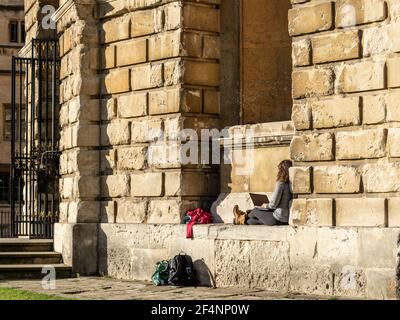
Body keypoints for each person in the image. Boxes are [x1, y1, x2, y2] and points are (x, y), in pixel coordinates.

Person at [233, 160, 293, 226]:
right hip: (285, 220)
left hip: (277, 218)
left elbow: (273, 204)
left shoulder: (281, 183)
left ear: (282, 171)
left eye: (279, 170)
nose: (278, 172)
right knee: (250, 221)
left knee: (255, 210)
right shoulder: (290, 184)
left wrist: (265, 206)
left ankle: (240, 217)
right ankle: (240, 219)